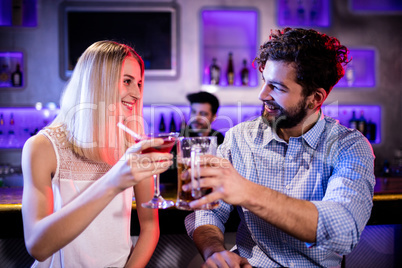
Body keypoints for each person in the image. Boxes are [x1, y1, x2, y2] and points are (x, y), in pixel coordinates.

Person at [184, 28, 375, 267]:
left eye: (277, 87)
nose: (262, 95)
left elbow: (343, 231)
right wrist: (214, 252)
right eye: (265, 81)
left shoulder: (349, 146)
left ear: (315, 98)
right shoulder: (239, 138)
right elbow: (207, 211)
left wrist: (246, 191)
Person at [21, 41, 173, 267]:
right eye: (127, 81)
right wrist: (114, 181)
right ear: (97, 82)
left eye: (139, 83)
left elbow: (150, 227)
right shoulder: (42, 147)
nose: (137, 93)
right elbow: (37, 246)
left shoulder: (132, 143)